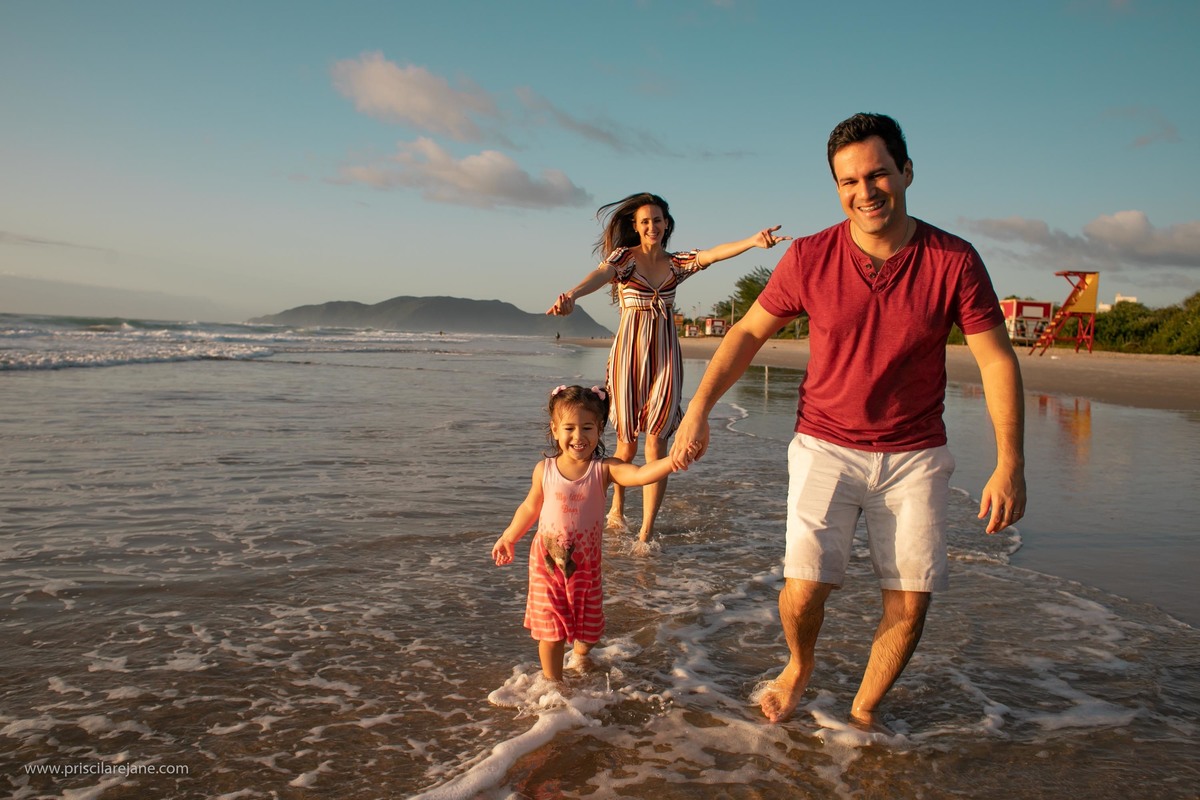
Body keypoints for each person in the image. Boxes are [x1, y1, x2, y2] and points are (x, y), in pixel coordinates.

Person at [669, 113, 1026, 730]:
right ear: (837, 188)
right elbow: (749, 331)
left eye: (878, 174)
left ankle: (863, 712)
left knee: (910, 601)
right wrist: (697, 409)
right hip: (824, 445)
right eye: (848, 181)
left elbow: (996, 358)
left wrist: (1010, 463)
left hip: (915, 452)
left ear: (906, 172)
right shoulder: (810, 256)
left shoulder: (954, 260)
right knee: (804, 589)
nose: (865, 192)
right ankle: (800, 664)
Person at [548, 192, 789, 544]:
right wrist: (572, 294)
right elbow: (600, 275)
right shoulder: (624, 260)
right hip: (628, 358)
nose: (652, 226)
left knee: (656, 444)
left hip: (665, 359)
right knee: (626, 445)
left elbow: (712, 254)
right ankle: (617, 505)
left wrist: (753, 242)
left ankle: (646, 533)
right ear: (635, 225)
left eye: (657, 220)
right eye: (645, 221)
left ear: (666, 224)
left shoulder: (676, 264)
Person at [491, 384, 690, 682]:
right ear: (555, 429)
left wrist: (670, 462)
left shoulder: (605, 469)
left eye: (587, 427)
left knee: (589, 630)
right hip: (546, 563)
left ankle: (582, 655)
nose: (578, 436)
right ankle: (553, 684)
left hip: (585, 564)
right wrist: (509, 536)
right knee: (552, 631)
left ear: (599, 429)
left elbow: (638, 475)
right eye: (569, 428)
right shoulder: (544, 469)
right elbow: (530, 507)